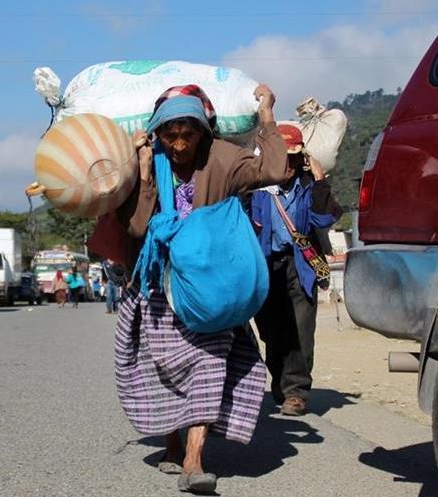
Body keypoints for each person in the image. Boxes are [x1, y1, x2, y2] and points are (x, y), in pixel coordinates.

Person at [112, 83, 290, 494]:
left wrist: (265, 115)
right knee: (164, 367)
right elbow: (138, 226)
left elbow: (275, 170)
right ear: (156, 133)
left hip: (209, 287)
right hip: (159, 284)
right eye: (169, 134)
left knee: (209, 363)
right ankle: (173, 445)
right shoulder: (149, 160)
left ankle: (194, 460)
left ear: (203, 132)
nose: (178, 144)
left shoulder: (223, 158)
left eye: (187, 134)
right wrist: (142, 172)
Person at [250, 123, 343, 416]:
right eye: (281, 158)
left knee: (301, 329)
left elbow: (323, 220)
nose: (286, 166)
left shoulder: (308, 188)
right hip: (266, 266)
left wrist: (318, 179)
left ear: (300, 158)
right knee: (271, 331)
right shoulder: (257, 190)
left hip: (301, 265)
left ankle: (296, 392)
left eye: (292, 159)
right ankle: (280, 382)